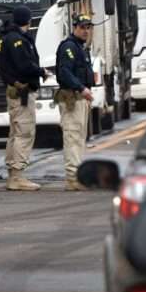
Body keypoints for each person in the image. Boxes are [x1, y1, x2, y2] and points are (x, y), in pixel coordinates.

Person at [0, 5, 47, 191]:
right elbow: (24, 65)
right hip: (22, 92)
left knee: (16, 132)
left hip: (14, 91)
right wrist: (40, 71)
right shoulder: (17, 40)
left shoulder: (7, 38)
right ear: (28, 20)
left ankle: (13, 173)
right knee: (24, 132)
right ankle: (17, 175)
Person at [55, 14, 98, 191]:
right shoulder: (69, 47)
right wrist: (81, 88)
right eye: (82, 27)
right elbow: (64, 73)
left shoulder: (80, 47)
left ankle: (77, 176)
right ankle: (72, 178)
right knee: (73, 137)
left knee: (79, 138)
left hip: (81, 99)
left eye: (88, 27)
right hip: (72, 97)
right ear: (75, 27)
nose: (86, 31)